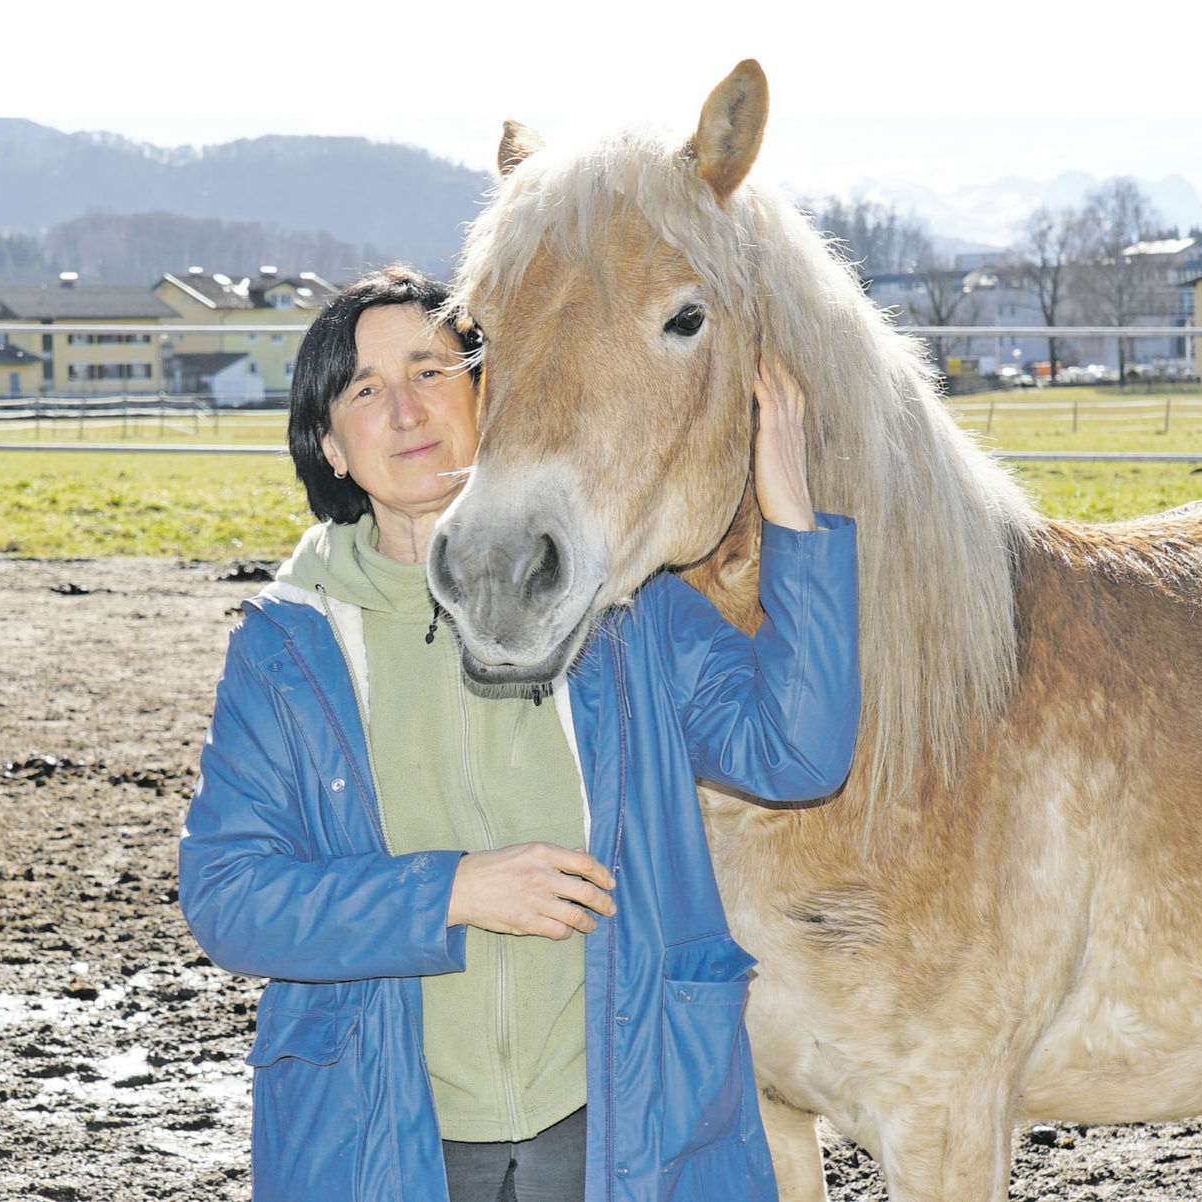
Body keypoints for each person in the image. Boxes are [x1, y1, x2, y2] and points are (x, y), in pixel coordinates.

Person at [178, 265, 858, 1201]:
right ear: (330, 445)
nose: (407, 411)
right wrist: (450, 892)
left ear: (487, 390)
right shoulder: (286, 645)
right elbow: (229, 895)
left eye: (431, 369)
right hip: (384, 1130)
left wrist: (794, 521)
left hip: (620, 1117)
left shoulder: (621, 606)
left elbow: (798, 751)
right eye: (364, 390)